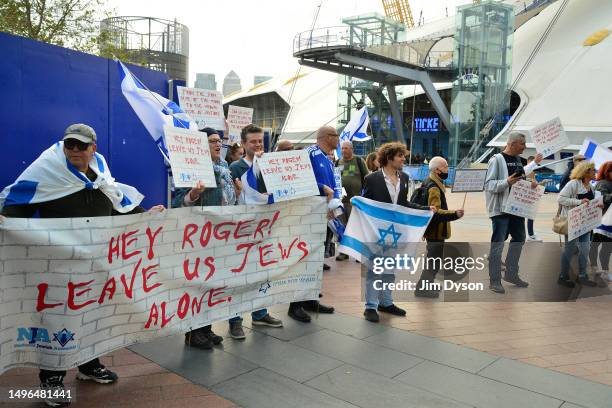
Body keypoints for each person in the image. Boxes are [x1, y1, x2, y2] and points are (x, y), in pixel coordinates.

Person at [0, 124, 165, 407]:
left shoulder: (100, 174)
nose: (74, 150)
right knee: (58, 317)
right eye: (70, 145)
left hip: (97, 261)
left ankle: (89, 365)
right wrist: (4, 219)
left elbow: (117, 204)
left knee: (93, 314)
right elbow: (18, 204)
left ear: (93, 148)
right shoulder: (47, 172)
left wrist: (145, 215)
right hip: (59, 263)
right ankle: (51, 379)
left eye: (81, 145)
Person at [173, 127, 241, 349]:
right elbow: (176, 203)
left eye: (219, 141)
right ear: (200, 145)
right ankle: (193, 333)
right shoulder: (190, 168)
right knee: (198, 285)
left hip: (220, 236)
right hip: (198, 238)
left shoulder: (223, 167)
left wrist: (237, 193)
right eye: (212, 141)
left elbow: (229, 201)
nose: (217, 144)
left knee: (212, 283)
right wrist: (193, 194)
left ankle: (207, 328)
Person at [362, 142, 437, 322]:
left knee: (390, 268)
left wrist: (426, 209)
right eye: (400, 156)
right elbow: (365, 205)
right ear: (389, 158)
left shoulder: (404, 177)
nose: (404, 159)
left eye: (403, 156)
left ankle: (386, 302)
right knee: (374, 268)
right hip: (377, 231)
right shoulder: (371, 179)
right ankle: (370, 306)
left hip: (396, 231)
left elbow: (404, 203)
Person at [228, 124, 283, 338]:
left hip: (265, 229)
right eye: (253, 141)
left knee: (262, 272)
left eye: (260, 141)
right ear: (243, 144)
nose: (258, 144)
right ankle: (235, 320)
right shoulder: (235, 168)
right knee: (239, 276)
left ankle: (260, 313)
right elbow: (230, 200)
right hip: (242, 231)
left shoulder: (269, 165)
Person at [287, 126, 338, 323]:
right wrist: (320, 188)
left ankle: (310, 298)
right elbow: (296, 178)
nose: (338, 139)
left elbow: (332, 185)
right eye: (336, 136)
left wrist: (334, 206)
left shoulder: (328, 158)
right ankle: (295, 305)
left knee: (317, 259)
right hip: (308, 214)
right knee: (304, 259)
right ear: (326, 137)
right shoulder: (309, 154)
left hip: (323, 213)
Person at [485, 132, 543, 294]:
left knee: (519, 238)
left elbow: (519, 179)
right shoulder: (496, 160)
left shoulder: (518, 160)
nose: (525, 147)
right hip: (500, 210)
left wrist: (530, 184)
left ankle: (511, 274)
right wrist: (507, 182)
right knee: (498, 244)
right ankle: (494, 280)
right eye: (522, 144)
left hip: (516, 208)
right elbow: (489, 185)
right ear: (512, 144)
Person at [415, 156, 464, 298]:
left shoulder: (429, 181)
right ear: (437, 170)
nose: (447, 170)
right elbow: (435, 212)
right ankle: (422, 288)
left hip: (431, 230)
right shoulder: (434, 188)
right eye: (445, 167)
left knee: (433, 259)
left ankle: (426, 285)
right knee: (433, 261)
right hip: (436, 231)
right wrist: (455, 214)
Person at [558, 161, 604, 287]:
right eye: (592, 170)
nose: (595, 172)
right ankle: (562, 276)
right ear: (585, 172)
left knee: (585, 249)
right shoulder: (573, 184)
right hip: (573, 222)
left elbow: (591, 203)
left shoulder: (592, 186)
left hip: (586, 223)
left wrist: (598, 204)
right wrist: (578, 202)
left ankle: (582, 276)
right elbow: (560, 198)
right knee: (569, 249)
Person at [335, 140, 369, 261]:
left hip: (354, 201)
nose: (343, 151)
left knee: (356, 227)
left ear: (351, 149)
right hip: (341, 201)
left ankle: (359, 253)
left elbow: (367, 178)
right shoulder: (338, 162)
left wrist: (363, 196)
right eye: (342, 148)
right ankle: (344, 252)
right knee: (342, 228)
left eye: (346, 148)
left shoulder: (359, 161)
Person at [590, 161, 612, 281]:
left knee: (596, 244)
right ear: (607, 172)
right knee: (605, 246)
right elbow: (601, 199)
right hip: (603, 221)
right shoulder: (602, 183)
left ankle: (595, 267)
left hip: (608, 220)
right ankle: (603, 270)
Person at [525, 155, 543, 242]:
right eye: (534, 163)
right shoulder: (527, 170)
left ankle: (531, 234)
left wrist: (541, 183)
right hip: (525, 196)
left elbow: (534, 183)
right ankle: (530, 235)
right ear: (529, 162)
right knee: (530, 215)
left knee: (531, 215)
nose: (535, 165)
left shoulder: (533, 171)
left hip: (530, 196)